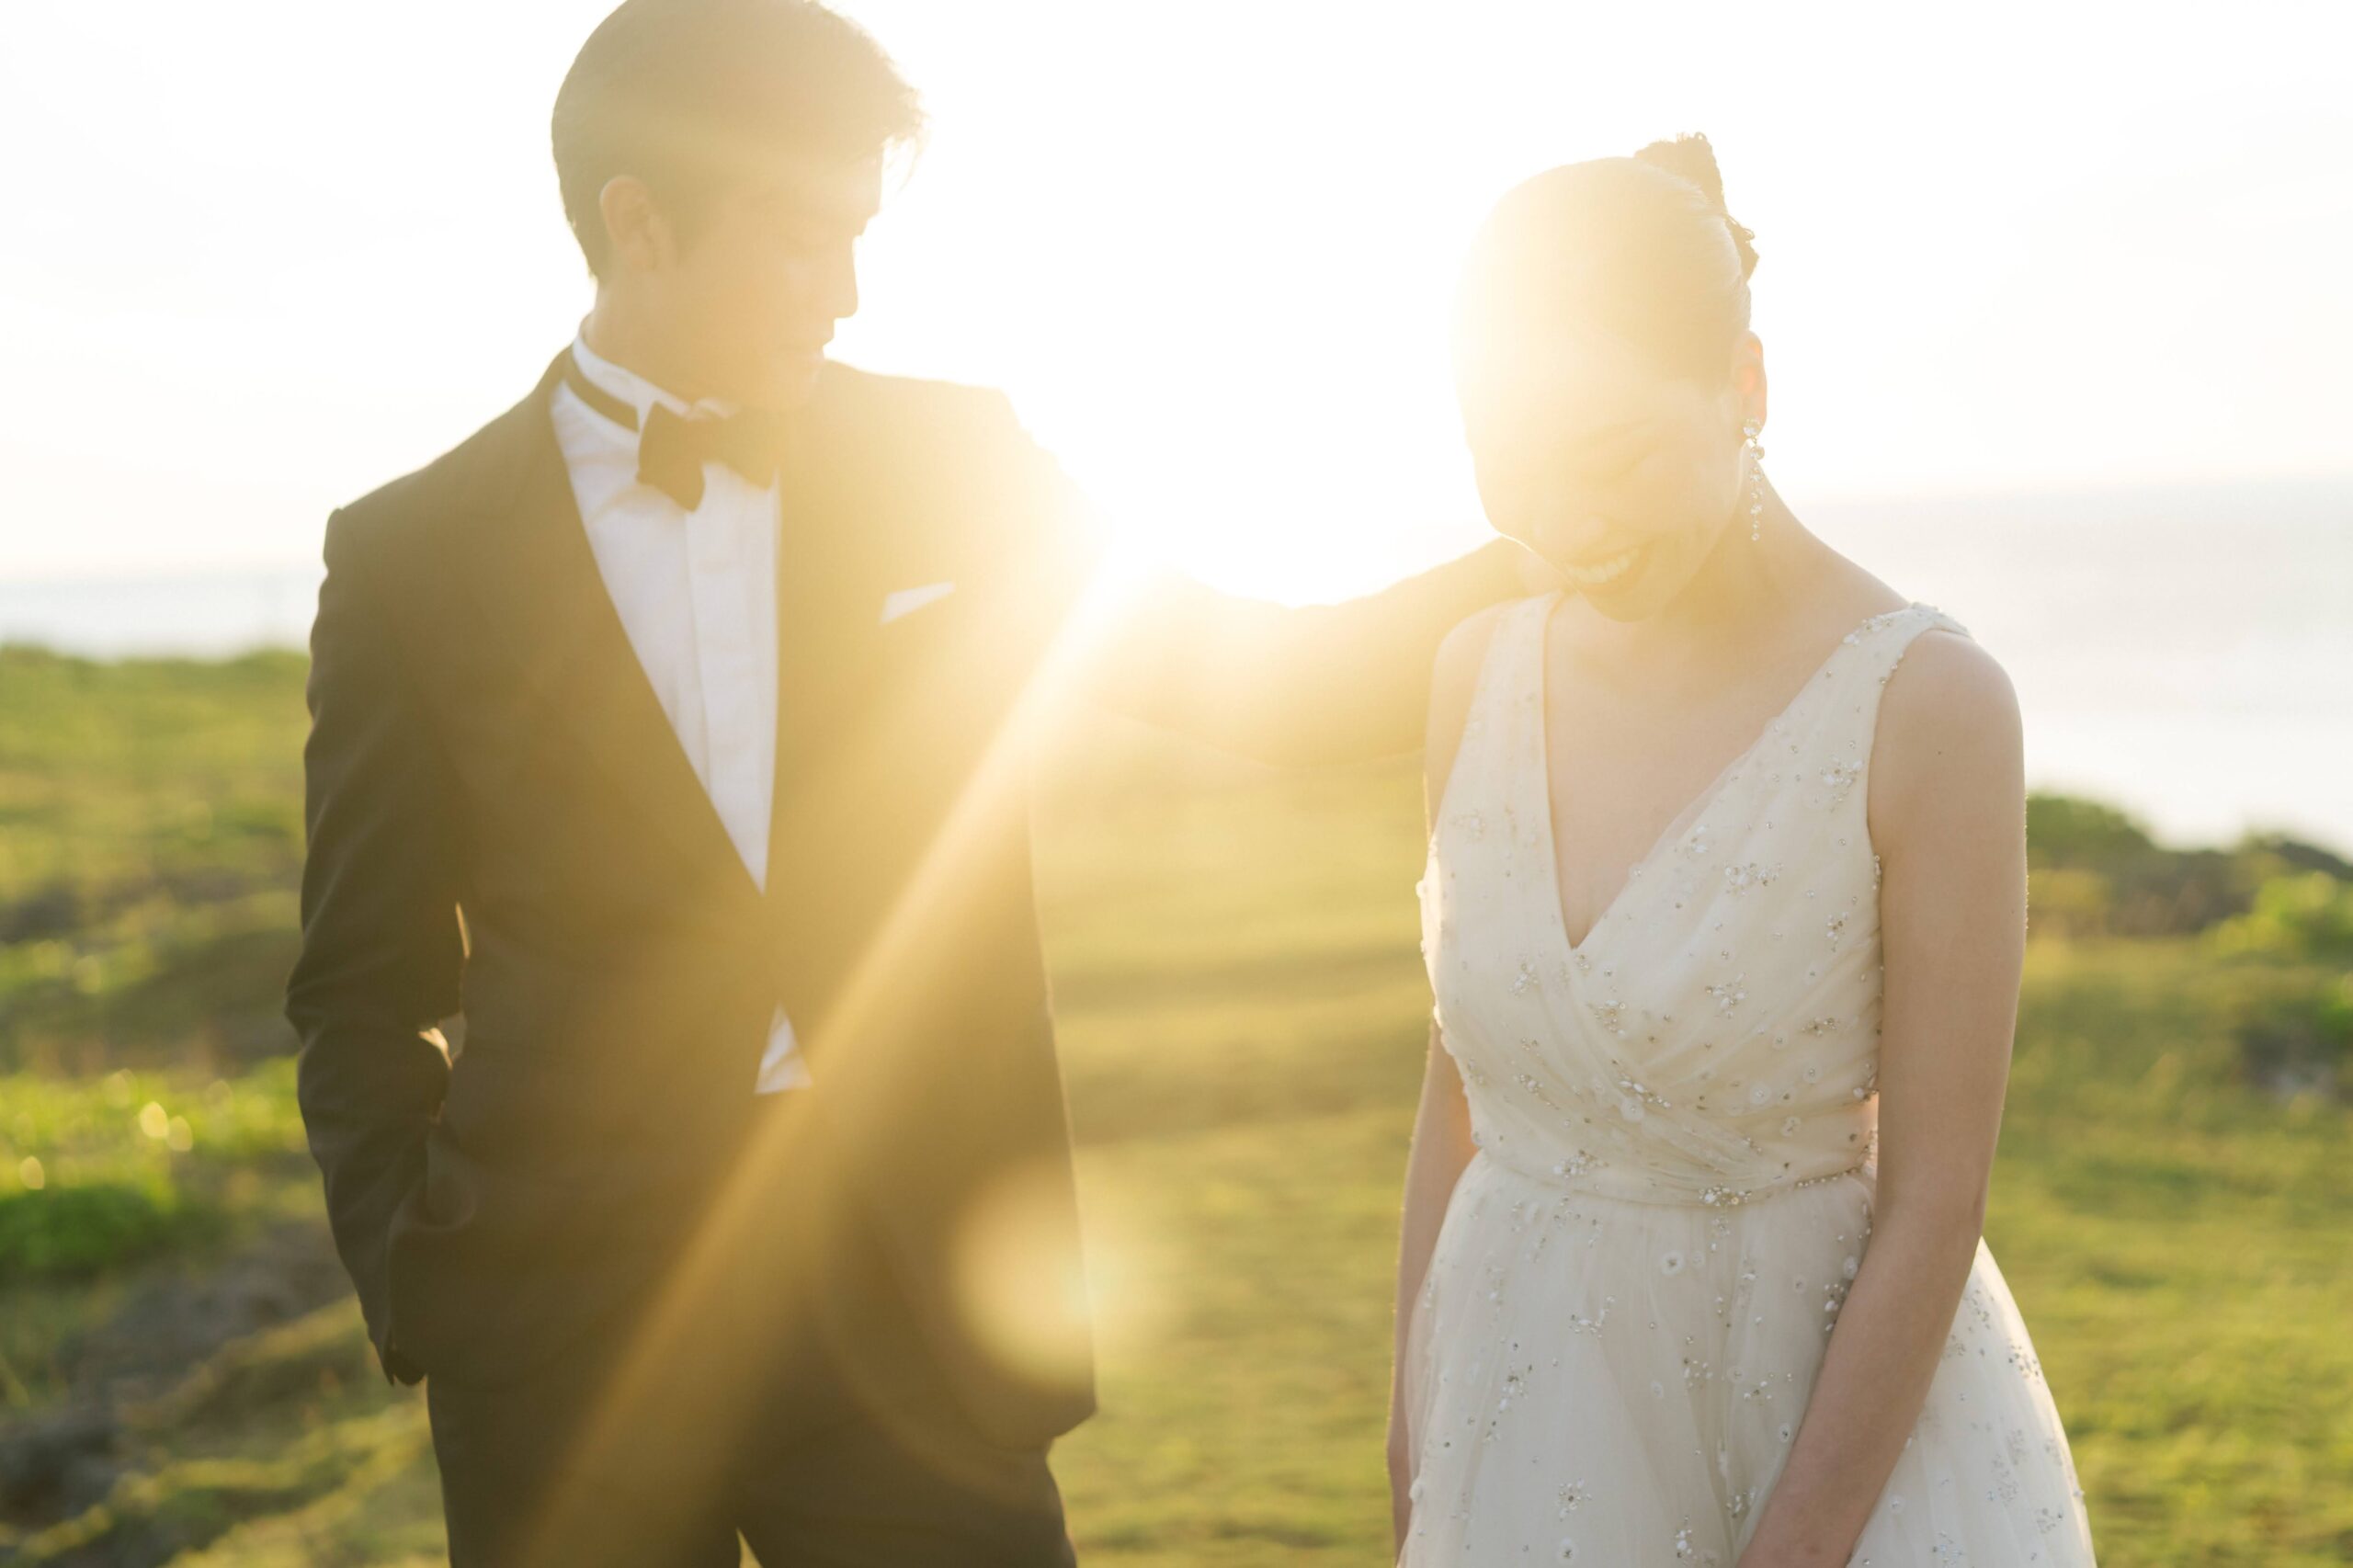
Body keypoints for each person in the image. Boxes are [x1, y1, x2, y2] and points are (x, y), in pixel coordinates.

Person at [283, 1, 1536, 1564]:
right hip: (562, 1339)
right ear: (639, 223)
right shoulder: (410, 559)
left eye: (859, 237)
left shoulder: (952, 458)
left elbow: (1257, 675)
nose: (849, 290)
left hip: (906, 1309)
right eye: (805, 239)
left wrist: (1550, 549)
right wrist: (425, 1284)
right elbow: (360, 984)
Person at [1389, 134, 2098, 1566]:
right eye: (1510, 465)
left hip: (1813, 1446)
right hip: (1512, 1420)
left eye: (1614, 457)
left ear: (1746, 387)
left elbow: (1936, 1198)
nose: (1570, 524)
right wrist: (1415, 1428)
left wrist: (1799, 1546)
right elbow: (1462, 1080)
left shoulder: (1927, 707)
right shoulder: (1476, 671)